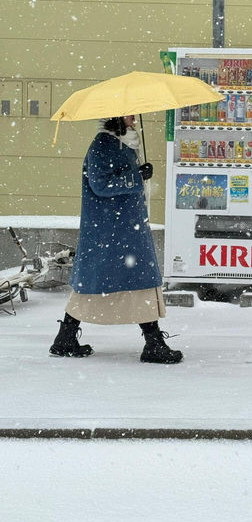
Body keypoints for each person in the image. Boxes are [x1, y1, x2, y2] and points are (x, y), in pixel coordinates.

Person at [49, 115, 183, 364]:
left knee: (108, 281)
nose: (133, 118)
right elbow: (100, 185)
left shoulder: (123, 142)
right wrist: (136, 176)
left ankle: (67, 337)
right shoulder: (104, 143)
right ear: (115, 118)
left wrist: (138, 173)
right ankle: (152, 342)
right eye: (128, 113)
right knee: (128, 280)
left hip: (121, 228)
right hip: (111, 229)